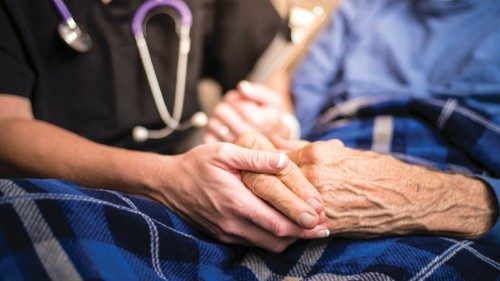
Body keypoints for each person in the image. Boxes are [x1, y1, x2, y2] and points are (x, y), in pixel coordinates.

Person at [0, 0, 330, 254]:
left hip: (199, 173)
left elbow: (269, 73)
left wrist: (274, 121)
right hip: (65, 194)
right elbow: (7, 125)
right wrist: (165, 180)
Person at [204, 0, 500, 246]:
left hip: (461, 165)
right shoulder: (360, 9)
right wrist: (274, 125)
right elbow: (299, 117)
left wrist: (437, 199)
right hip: (329, 154)